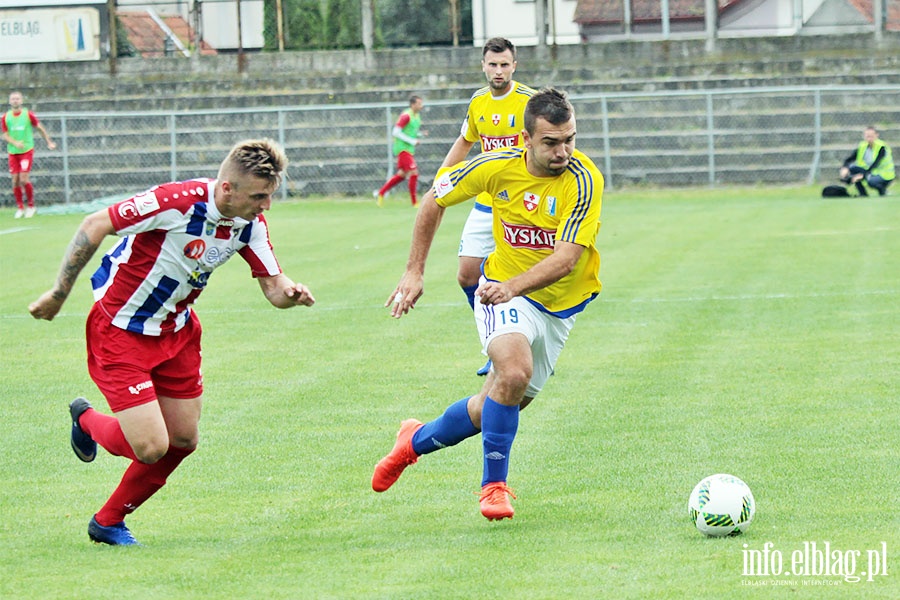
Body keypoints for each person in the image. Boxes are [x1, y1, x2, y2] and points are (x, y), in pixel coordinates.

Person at [28, 139, 315, 545]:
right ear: (227, 189)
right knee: (150, 447)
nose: (266, 205)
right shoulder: (175, 202)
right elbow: (94, 224)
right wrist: (58, 294)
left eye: (270, 195)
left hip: (177, 333)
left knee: (183, 440)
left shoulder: (249, 223)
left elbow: (272, 286)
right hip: (121, 330)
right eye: (259, 196)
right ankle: (88, 422)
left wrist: (290, 295)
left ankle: (108, 522)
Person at [372, 88, 603, 521]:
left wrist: (515, 286)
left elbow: (567, 258)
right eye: (551, 142)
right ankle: (493, 488)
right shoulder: (495, 167)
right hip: (499, 288)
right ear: (525, 138)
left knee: (498, 401)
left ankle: (412, 442)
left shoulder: (584, 179)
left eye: (570, 138)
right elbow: (434, 198)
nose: (563, 151)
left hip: (556, 306)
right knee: (513, 372)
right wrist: (414, 271)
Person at [438, 37, 535, 376]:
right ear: (483, 65)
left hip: (522, 204)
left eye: (504, 64)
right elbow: (465, 140)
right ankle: (493, 345)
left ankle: (523, 344)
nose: (498, 71)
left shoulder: (529, 102)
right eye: (492, 64)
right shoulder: (478, 102)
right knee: (467, 273)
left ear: (514, 66)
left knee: (521, 273)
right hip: (486, 200)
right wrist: (442, 180)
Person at [2, 91, 56, 218]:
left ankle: (31, 206)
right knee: (15, 180)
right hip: (13, 152)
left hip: (26, 151)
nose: (15, 101)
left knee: (23, 179)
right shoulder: (6, 117)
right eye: (13, 99)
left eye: (17, 99)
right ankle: (20, 207)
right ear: (10, 101)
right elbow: (5, 135)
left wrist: (48, 141)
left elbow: (40, 128)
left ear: (21, 101)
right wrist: (15, 143)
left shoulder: (28, 114)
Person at [376, 95, 424, 207]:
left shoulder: (417, 116)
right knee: (414, 173)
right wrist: (412, 141)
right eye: (419, 103)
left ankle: (381, 193)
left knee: (402, 175)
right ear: (413, 104)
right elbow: (396, 132)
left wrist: (420, 135)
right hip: (402, 148)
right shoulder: (406, 116)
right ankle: (414, 202)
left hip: (408, 149)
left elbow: (410, 131)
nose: (421, 106)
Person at [839, 126, 894, 196]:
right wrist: (845, 167)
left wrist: (863, 175)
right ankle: (863, 194)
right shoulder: (862, 146)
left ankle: (882, 190)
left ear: (877, 135)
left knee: (871, 181)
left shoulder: (881, 147)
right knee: (852, 169)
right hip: (870, 171)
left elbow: (875, 164)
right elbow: (850, 159)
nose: (869, 138)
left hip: (884, 174)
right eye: (867, 136)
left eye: (871, 136)